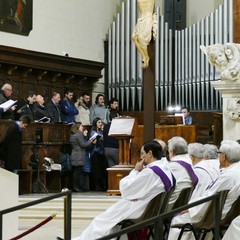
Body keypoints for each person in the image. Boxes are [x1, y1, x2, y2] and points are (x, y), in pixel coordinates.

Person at [70, 140, 175, 240]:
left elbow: (126, 189)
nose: (141, 157)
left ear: (150, 153)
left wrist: (135, 171)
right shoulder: (165, 168)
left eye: (143, 153)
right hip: (150, 209)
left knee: (101, 221)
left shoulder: (150, 172)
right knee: (110, 224)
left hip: (140, 210)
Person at [168, 140, 240, 240]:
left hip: (215, 215)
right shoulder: (237, 170)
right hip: (229, 213)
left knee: (177, 219)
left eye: (219, 154)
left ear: (223, 156)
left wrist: (190, 208)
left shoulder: (228, 175)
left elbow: (209, 196)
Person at [167, 136, 196, 209]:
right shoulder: (192, 161)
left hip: (171, 206)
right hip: (186, 203)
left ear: (172, 152)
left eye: (168, 151)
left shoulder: (171, 166)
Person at [70, 123, 96, 192]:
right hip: (79, 155)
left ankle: (77, 186)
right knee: (77, 172)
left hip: (76, 154)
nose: (82, 127)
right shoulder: (79, 135)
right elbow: (83, 145)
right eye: (81, 126)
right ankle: (76, 187)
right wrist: (91, 140)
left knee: (77, 171)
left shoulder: (73, 135)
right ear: (78, 127)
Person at [132, 0, 157, 69]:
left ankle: (145, 57)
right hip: (141, 19)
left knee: (140, 38)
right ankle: (145, 56)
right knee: (134, 37)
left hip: (147, 19)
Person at [89, 117, 107, 191]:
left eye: (101, 122)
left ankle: (102, 186)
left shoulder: (101, 131)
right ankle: (97, 186)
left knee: (102, 170)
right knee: (97, 170)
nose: (100, 124)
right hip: (95, 152)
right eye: (99, 122)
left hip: (101, 152)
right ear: (95, 123)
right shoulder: (93, 132)